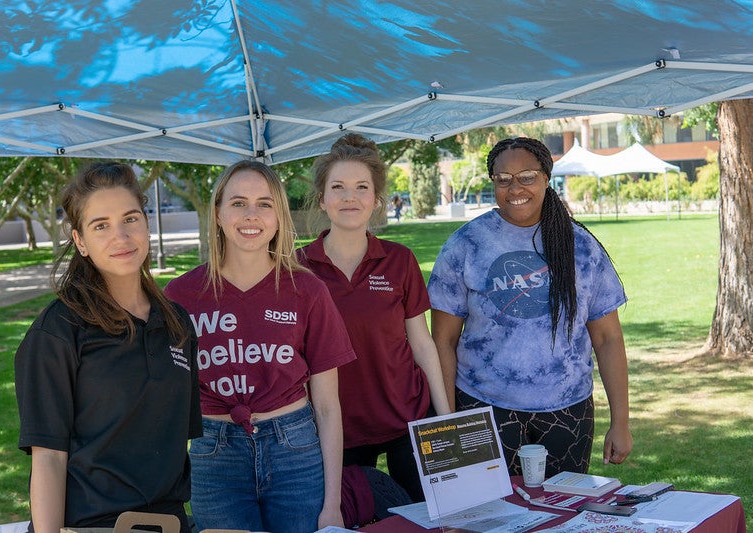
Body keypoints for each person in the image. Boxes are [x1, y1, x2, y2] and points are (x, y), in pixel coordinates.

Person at [164, 160, 356, 533]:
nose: (251, 215)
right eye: (238, 203)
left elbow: (329, 407)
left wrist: (332, 503)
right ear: (218, 213)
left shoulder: (308, 291)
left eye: (264, 204)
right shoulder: (181, 295)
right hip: (214, 456)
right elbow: (166, 402)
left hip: (295, 452)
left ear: (279, 216)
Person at [428, 137, 633, 478]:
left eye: (527, 176)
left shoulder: (580, 246)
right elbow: (443, 342)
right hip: (483, 407)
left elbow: (608, 339)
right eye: (503, 178)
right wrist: (450, 421)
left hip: (568, 408)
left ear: (546, 178)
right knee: (487, 520)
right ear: (492, 181)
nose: (514, 188)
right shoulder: (466, 244)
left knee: (563, 517)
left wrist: (621, 422)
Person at [14, 162, 201, 533]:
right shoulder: (58, 332)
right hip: (89, 525)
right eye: (101, 225)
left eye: (131, 219)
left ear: (146, 225)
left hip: (170, 522)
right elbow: (48, 457)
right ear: (80, 241)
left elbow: (178, 442)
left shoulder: (178, 323)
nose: (121, 236)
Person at [299, 133, 451, 502]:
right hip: (337, 426)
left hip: (407, 417)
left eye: (361, 187)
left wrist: (446, 418)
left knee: (432, 519)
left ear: (376, 199)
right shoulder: (298, 268)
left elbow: (422, 343)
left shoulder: (400, 260)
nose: (349, 197)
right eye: (338, 187)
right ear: (322, 198)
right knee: (353, 518)